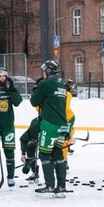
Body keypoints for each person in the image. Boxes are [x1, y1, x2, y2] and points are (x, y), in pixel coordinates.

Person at [29, 60, 70, 197]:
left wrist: (35, 90)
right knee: (58, 153)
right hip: (63, 124)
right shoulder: (62, 86)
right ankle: (61, 187)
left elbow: (34, 101)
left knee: (45, 154)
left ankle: (50, 186)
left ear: (47, 71)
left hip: (50, 123)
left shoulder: (44, 84)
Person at [18, 115, 42, 183]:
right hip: (35, 139)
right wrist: (23, 154)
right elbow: (23, 140)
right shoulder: (31, 130)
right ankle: (35, 172)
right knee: (30, 148)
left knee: (47, 156)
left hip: (47, 138)